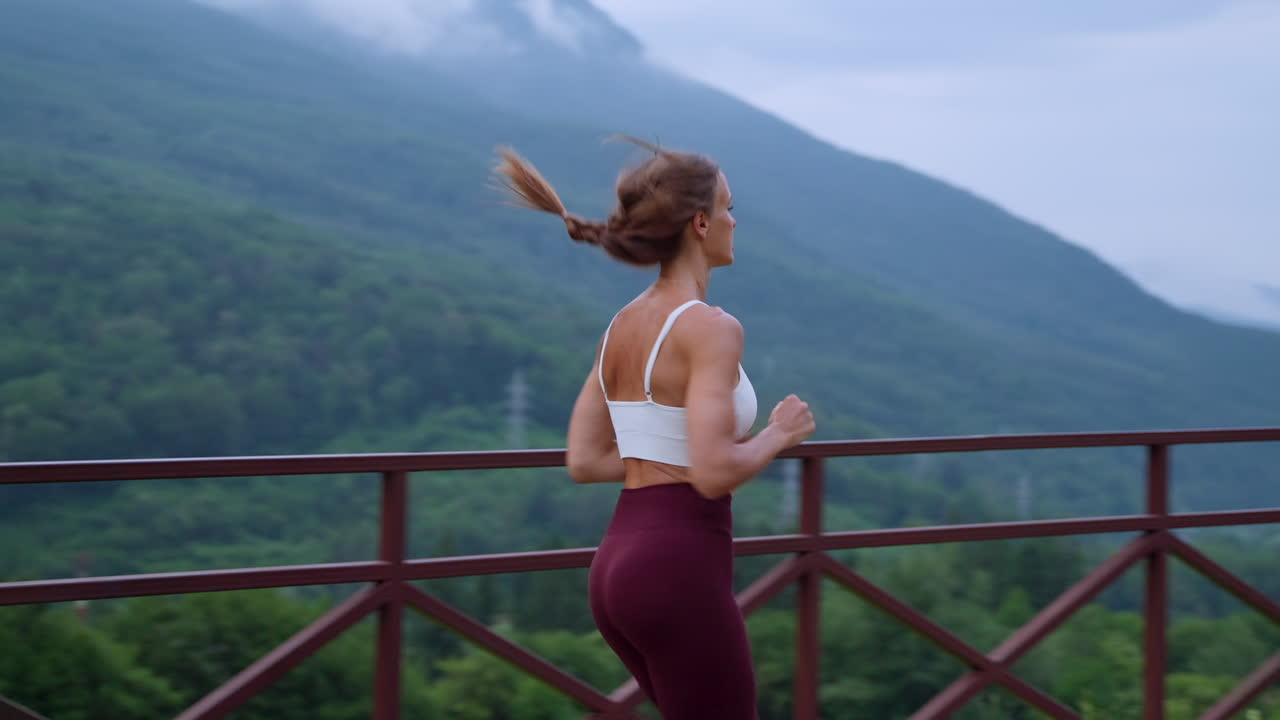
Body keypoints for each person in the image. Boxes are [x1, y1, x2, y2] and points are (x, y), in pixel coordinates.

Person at [492, 138, 816, 719]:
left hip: (617, 568)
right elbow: (715, 476)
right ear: (699, 223)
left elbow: (585, 459)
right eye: (727, 208)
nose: (734, 222)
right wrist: (776, 435)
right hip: (678, 567)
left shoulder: (621, 324)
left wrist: (686, 449)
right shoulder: (711, 328)